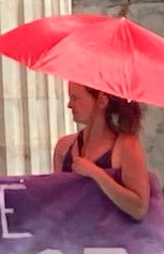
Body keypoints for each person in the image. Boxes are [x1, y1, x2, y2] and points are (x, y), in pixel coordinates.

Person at [54, 81, 152, 220]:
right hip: (73, 230)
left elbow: (139, 209)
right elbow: (57, 200)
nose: (69, 105)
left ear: (102, 100)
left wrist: (96, 173)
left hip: (113, 232)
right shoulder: (64, 147)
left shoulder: (126, 146)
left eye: (75, 98)